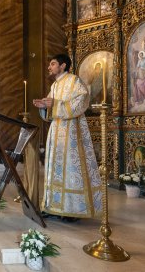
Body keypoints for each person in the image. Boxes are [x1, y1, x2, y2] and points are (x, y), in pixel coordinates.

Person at [32, 54, 102, 221]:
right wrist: (44, 107)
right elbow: (51, 110)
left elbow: (82, 100)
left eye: (53, 64)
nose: (49, 67)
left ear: (63, 66)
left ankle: (72, 209)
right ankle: (53, 207)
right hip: (56, 131)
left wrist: (55, 104)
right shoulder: (55, 85)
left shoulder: (74, 81)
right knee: (53, 169)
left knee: (71, 169)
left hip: (71, 133)